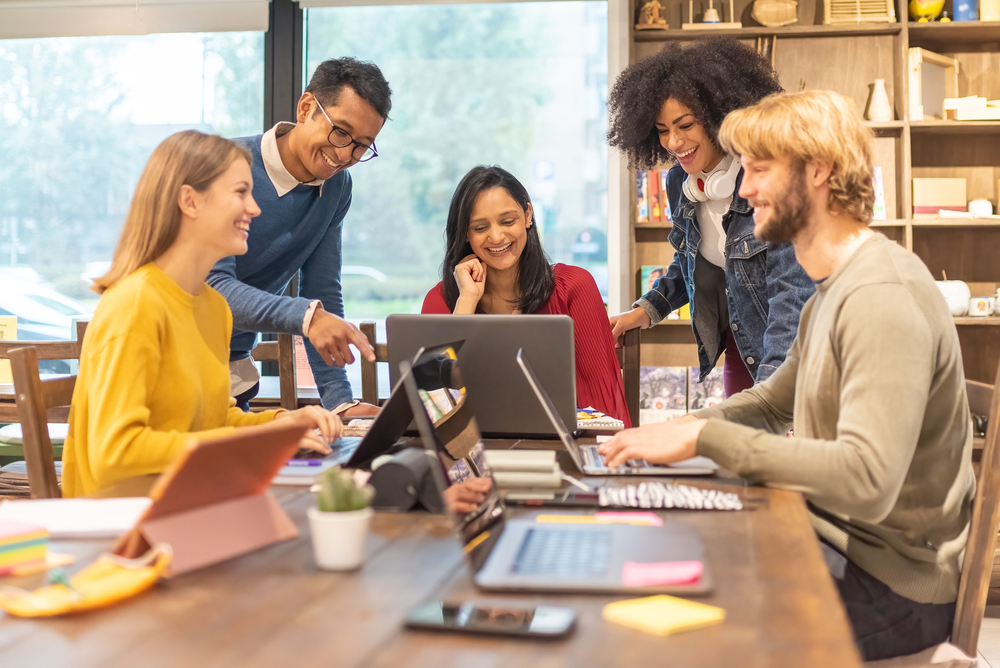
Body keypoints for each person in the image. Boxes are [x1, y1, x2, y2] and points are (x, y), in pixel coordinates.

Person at [599, 90, 975, 661]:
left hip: (894, 583)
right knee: (667, 573)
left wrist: (704, 437)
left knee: (687, 635)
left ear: (818, 170)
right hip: (839, 541)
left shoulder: (879, 296)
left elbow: (868, 477)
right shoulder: (834, 287)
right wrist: (678, 429)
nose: (744, 190)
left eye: (758, 170)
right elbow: (775, 403)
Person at [63, 131, 343, 498]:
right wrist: (248, 445)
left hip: (189, 503)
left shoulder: (213, 308)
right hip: (121, 526)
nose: (255, 209)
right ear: (190, 202)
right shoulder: (135, 305)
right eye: (241, 193)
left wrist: (281, 425)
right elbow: (116, 453)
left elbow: (216, 421)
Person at [606, 37, 815, 397]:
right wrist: (647, 310)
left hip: (796, 352)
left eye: (685, 125)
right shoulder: (678, 182)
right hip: (742, 345)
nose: (672, 142)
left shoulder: (767, 179)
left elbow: (791, 291)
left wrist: (770, 393)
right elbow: (689, 257)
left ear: (719, 115)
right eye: (662, 130)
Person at [207, 57, 392, 415]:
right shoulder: (225, 164)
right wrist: (308, 316)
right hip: (176, 367)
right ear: (307, 107)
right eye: (341, 132)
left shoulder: (337, 187)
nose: (344, 155)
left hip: (234, 379)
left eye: (361, 146)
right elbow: (214, 287)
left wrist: (340, 401)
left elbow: (321, 290)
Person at [421, 165, 631, 427]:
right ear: (465, 232)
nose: (497, 236)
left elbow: (606, 410)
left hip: (561, 450)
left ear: (528, 215)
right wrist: (466, 302)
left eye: (508, 221)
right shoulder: (440, 300)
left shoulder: (575, 288)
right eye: (480, 227)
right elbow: (436, 411)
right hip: (478, 455)